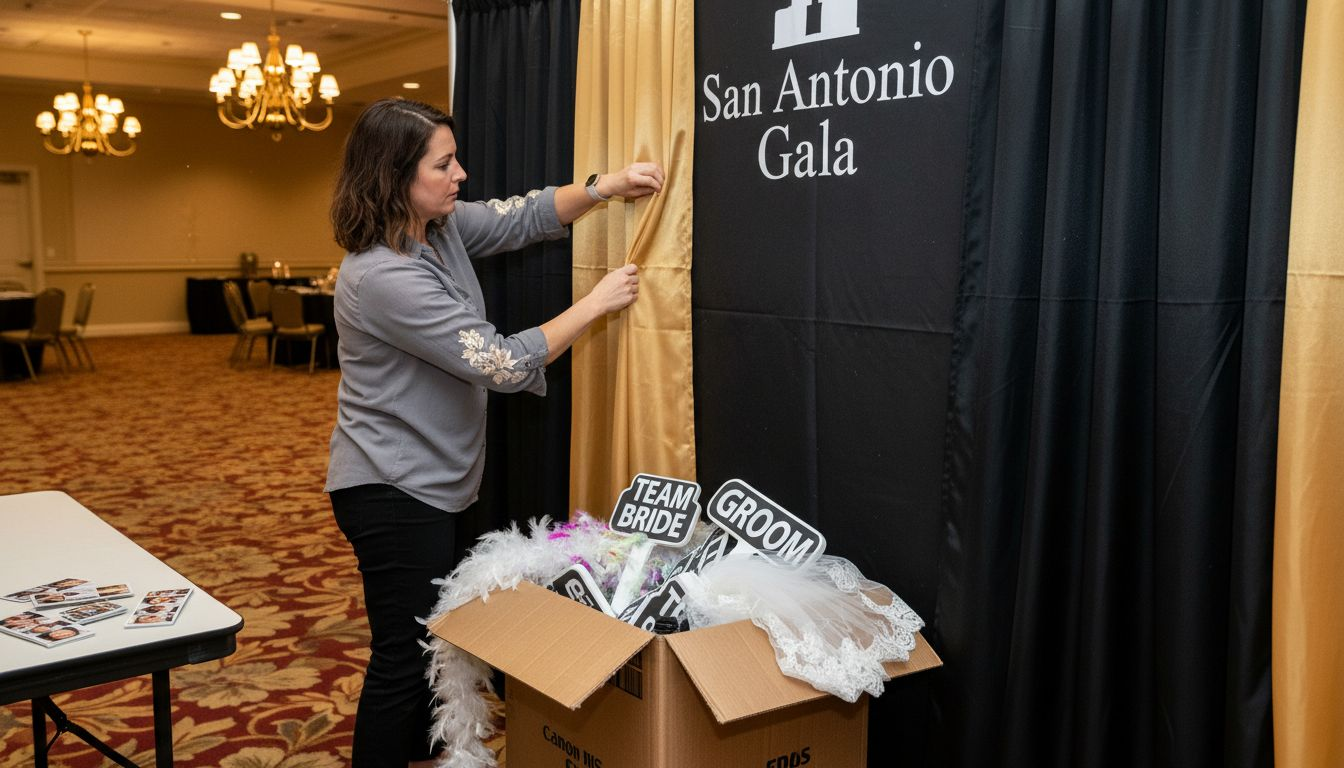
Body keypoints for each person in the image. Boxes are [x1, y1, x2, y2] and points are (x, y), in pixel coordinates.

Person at [324, 97, 663, 768]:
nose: (462, 175)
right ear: (395, 177)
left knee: (432, 649)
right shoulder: (384, 277)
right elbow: (503, 364)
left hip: (434, 483)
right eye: (444, 164)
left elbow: (522, 216)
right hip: (392, 491)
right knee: (402, 661)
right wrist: (594, 306)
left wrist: (605, 188)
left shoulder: (436, 227)